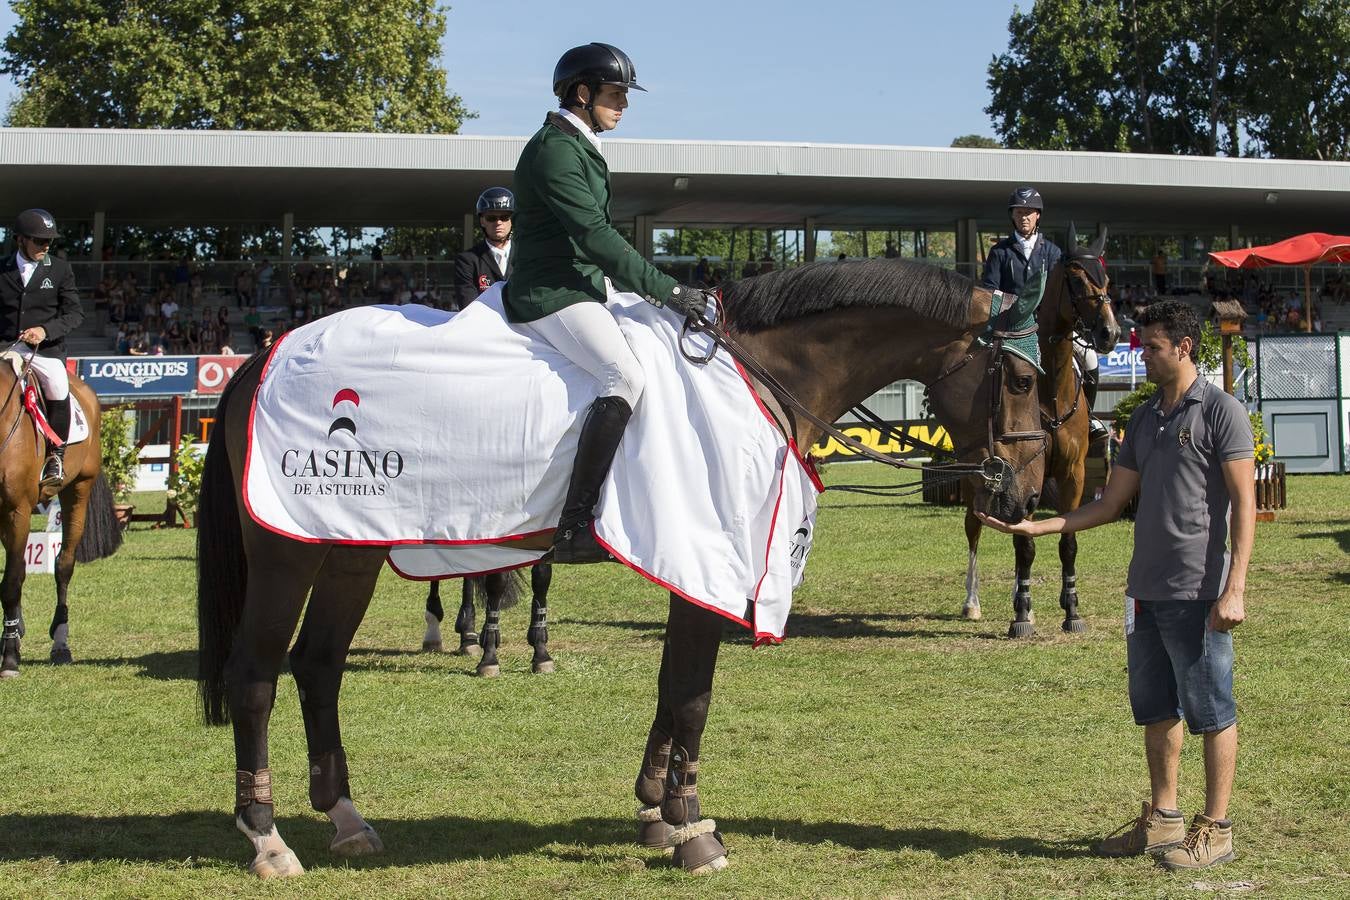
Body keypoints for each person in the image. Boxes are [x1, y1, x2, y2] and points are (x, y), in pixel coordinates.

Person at [979, 300, 1254, 872]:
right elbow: (1109, 504)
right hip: (1144, 593)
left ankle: (1217, 829)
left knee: (1212, 711)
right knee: (1156, 708)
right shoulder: (1149, 417)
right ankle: (1164, 820)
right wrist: (1038, 523)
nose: (1143, 355)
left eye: (1152, 347)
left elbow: (1245, 507)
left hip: (1199, 591)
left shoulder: (1222, 412)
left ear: (1182, 347)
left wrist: (1235, 587)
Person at [508, 42, 709, 563]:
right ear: (583, 93)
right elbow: (594, 235)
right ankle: (573, 527)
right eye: (616, 94)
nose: (624, 104)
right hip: (549, 291)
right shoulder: (554, 149)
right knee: (626, 376)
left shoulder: (580, 144)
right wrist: (668, 290)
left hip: (582, 285)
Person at [981, 185, 1106, 441]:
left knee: (1090, 358)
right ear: (1012, 216)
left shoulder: (1053, 253)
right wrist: (1014, 311)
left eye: (1029, 212)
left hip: (1050, 328)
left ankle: (1090, 417)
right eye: (1018, 212)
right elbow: (990, 291)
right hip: (1014, 329)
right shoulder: (1000, 253)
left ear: (1038, 216)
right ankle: (989, 419)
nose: (1023, 217)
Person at [0, 209, 84, 488]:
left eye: (49, 241)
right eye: (38, 240)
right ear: (20, 240)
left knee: (58, 385)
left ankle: (55, 456)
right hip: (6, 346)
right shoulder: (2, 268)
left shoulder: (60, 269)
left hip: (44, 350)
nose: (45, 245)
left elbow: (74, 314)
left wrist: (45, 331)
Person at [454, 187, 516, 310]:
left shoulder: (526, 255)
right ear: (482, 221)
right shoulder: (466, 261)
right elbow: (469, 306)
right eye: (491, 218)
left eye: (504, 217)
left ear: (512, 220)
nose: (498, 222)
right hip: (484, 326)